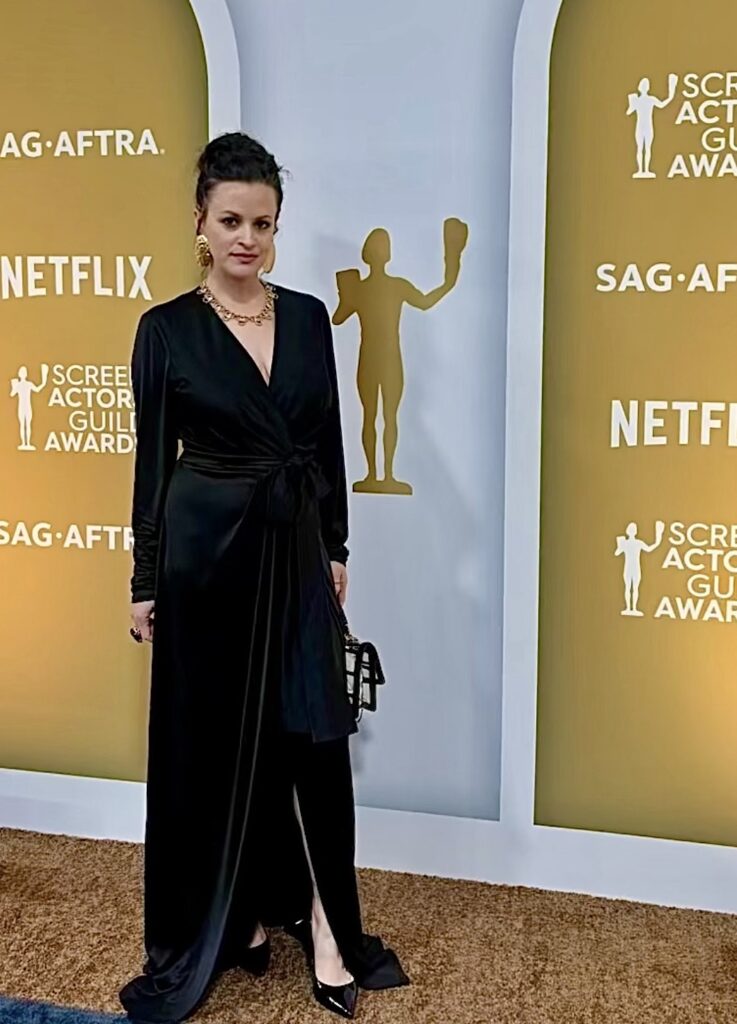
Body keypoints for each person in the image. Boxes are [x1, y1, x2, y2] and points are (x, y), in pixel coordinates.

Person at [118, 132, 410, 1024]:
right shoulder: (165, 329)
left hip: (294, 546)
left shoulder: (311, 318)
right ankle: (235, 912)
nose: (247, 239)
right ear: (200, 224)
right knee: (213, 745)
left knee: (312, 740)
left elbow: (327, 445)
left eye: (264, 224)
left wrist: (336, 547)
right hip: (205, 560)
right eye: (231, 221)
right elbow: (150, 464)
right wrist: (145, 577)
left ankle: (327, 925)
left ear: (277, 229)